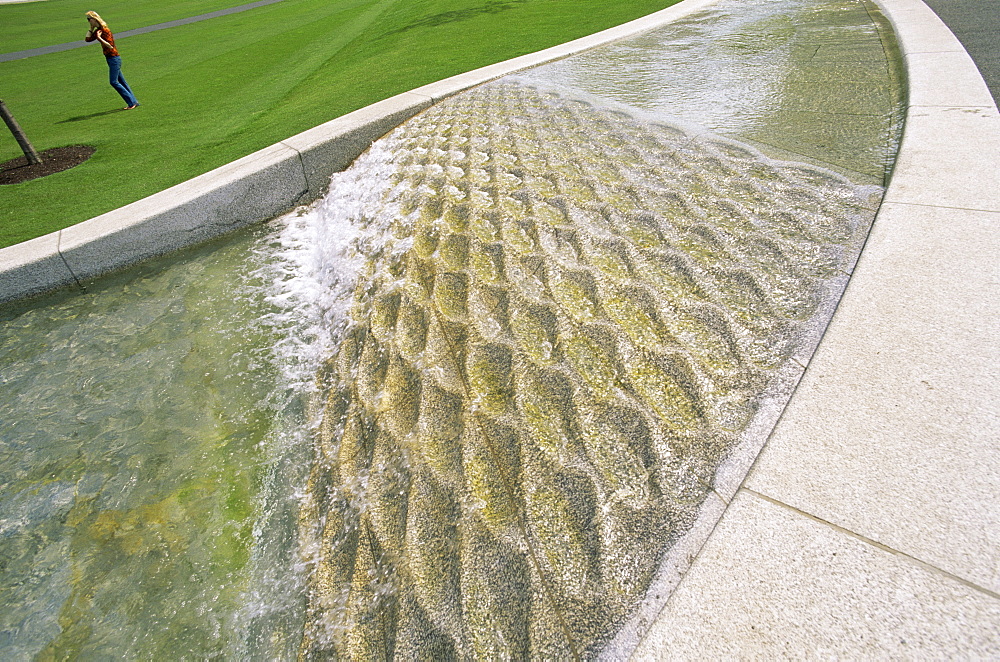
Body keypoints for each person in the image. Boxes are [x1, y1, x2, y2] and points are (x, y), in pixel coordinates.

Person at [84, 11, 139, 110]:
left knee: (113, 82)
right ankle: (134, 101)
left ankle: (131, 102)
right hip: (109, 58)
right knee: (121, 81)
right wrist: (91, 29)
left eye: (89, 19)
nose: (88, 21)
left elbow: (110, 46)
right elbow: (87, 39)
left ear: (94, 19)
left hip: (114, 58)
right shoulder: (98, 30)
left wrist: (99, 38)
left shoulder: (105, 31)